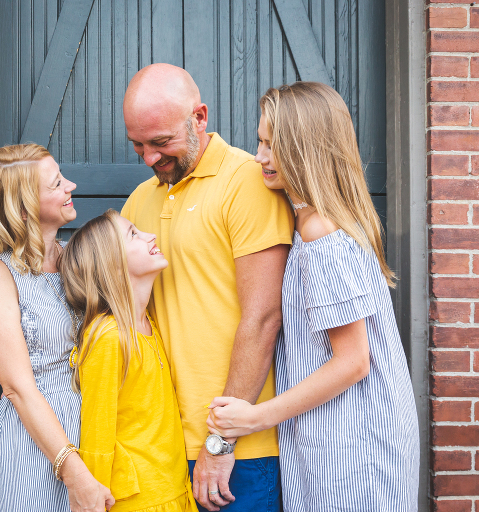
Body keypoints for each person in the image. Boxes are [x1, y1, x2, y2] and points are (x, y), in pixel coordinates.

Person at [207, 82, 420, 512]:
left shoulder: (321, 231)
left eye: (273, 145)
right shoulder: (314, 221)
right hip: (334, 435)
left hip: (355, 443)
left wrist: (255, 416)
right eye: (260, 141)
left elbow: (354, 360)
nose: (260, 157)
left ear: (307, 149)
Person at [121, 63, 295, 512]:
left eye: (161, 143)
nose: (149, 158)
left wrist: (220, 444)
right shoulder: (140, 198)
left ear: (199, 117)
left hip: (239, 451)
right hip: (159, 446)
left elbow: (262, 318)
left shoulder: (247, 182)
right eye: (137, 144)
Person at [0, 144, 115, 512]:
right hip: (33, 447)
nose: (71, 185)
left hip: (93, 431)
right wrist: (74, 474)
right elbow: (17, 388)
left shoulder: (77, 257)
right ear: (25, 207)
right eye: (57, 183)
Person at [58, 210, 198, 512]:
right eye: (133, 234)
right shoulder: (108, 336)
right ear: (112, 263)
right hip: (137, 502)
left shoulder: (148, 323)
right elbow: (97, 433)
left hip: (172, 491)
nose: (151, 236)